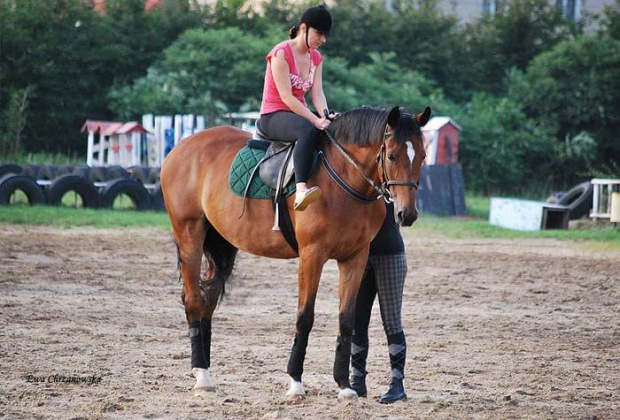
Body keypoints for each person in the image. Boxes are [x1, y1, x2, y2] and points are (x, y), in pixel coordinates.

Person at [258, 5, 336, 211]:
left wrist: (326, 115)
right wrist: (315, 120)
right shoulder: (280, 53)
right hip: (273, 115)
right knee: (307, 130)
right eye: (319, 33)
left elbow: (317, 93)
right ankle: (301, 190)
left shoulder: (317, 58)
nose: (323, 39)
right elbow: (286, 96)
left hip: (297, 115)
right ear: (304, 28)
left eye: (325, 35)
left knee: (329, 130)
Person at [350, 202, 409, 404]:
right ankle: (357, 380)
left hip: (390, 254)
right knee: (356, 321)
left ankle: (397, 384)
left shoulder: (391, 184)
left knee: (392, 322)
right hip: (358, 255)